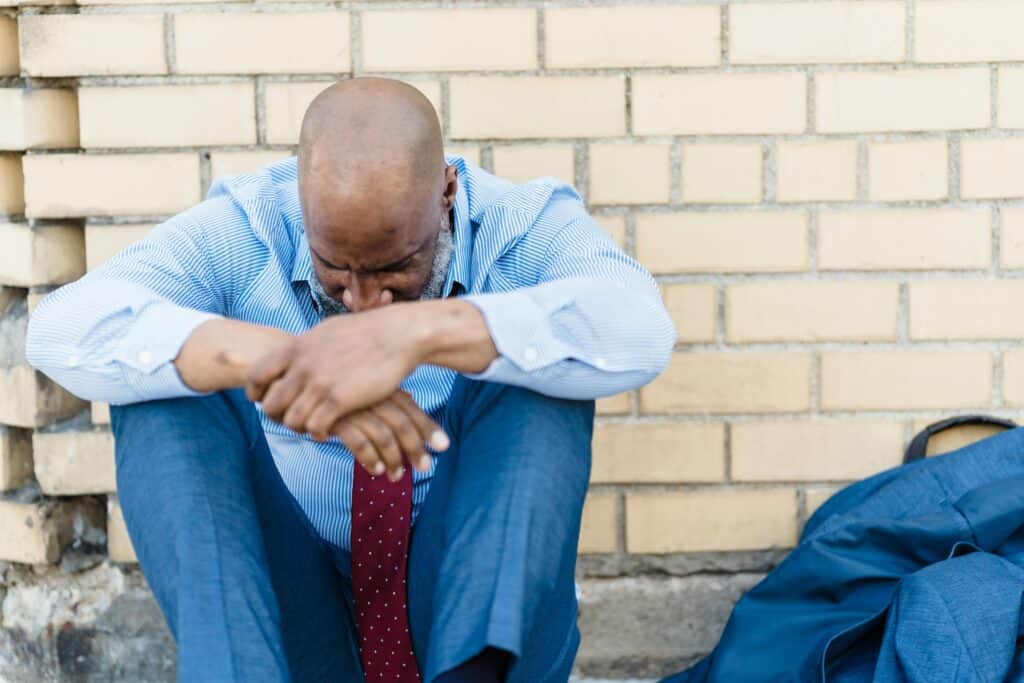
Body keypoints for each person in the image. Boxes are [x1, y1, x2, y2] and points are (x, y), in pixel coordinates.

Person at [26, 77, 674, 682]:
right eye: (335, 267)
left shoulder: (522, 223)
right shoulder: (249, 225)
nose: (363, 300)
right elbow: (59, 328)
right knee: (164, 381)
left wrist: (418, 332)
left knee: (537, 364)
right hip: (297, 617)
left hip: (460, 595)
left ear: (447, 191)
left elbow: (640, 326)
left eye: (395, 266)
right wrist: (289, 363)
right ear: (300, 203)